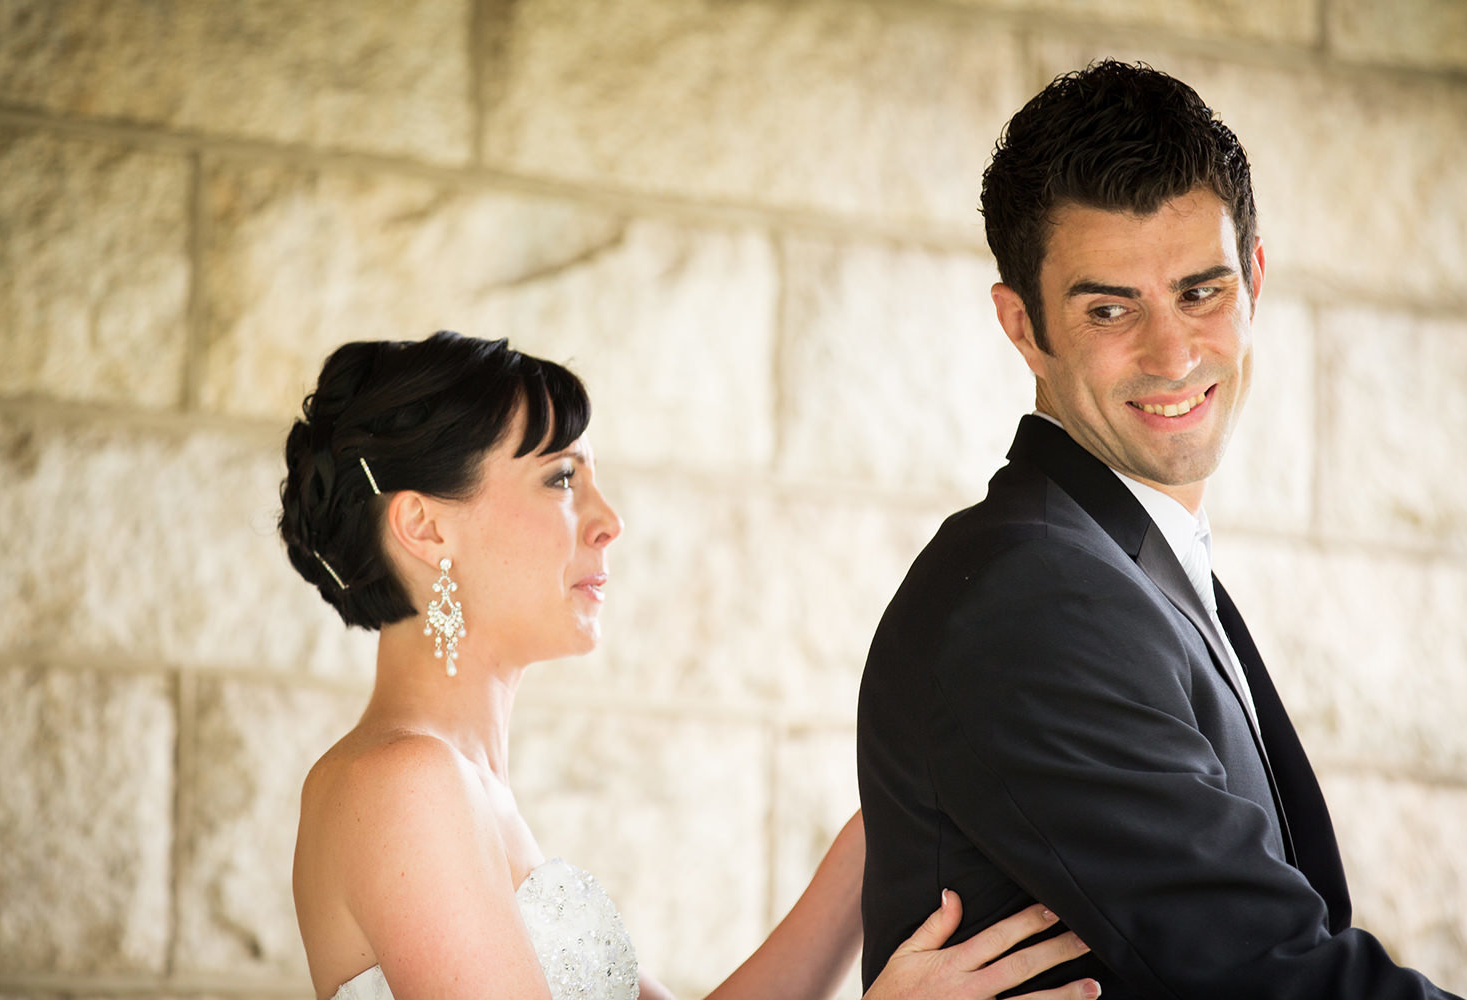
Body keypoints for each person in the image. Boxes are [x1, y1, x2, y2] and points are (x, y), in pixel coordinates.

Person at [856, 59, 1462, 999]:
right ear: (1023, 326)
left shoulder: (1118, 566)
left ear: (1255, 278)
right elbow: (1262, 975)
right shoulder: (1039, 599)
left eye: (1201, 292)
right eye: (1109, 309)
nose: (1172, 354)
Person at [280, 332, 1101, 1000]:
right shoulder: (402, 784)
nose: (610, 522)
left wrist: (895, 816)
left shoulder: (458, 785)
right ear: (425, 529)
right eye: (562, 478)